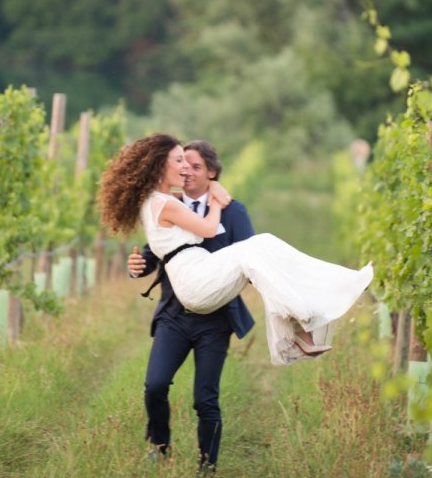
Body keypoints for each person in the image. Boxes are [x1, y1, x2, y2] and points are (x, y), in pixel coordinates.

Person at [97, 133, 372, 368]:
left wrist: (213, 186)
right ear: (160, 165)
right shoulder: (163, 203)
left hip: (198, 274)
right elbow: (206, 228)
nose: (184, 168)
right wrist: (216, 200)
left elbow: (191, 202)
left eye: (188, 162)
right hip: (194, 281)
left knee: (261, 247)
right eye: (179, 161)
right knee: (256, 247)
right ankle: (305, 319)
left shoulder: (164, 200)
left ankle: (300, 328)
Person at [126, 140, 255, 473]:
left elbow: (249, 258)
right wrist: (137, 265)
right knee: (155, 385)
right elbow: (155, 253)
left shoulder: (233, 211)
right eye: (184, 164)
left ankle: (207, 465)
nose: (187, 171)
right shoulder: (169, 205)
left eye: (197, 167)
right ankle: (159, 444)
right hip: (174, 315)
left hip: (215, 320)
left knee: (205, 399)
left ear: (212, 173)